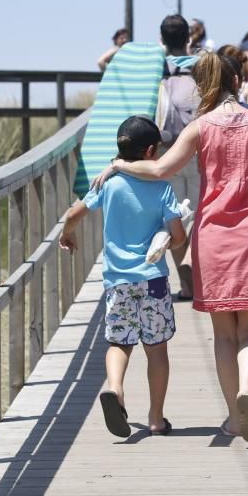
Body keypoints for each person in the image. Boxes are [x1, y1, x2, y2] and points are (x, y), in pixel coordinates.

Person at [92, 52, 248, 443]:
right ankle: (247, 391)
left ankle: (232, 415)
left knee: (224, 336)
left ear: (202, 86)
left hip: (212, 239)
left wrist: (119, 164)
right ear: (236, 80)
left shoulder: (200, 127)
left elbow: (160, 170)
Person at [60, 116, 187, 438]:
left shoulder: (109, 183)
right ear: (150, 151)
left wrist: (67, 234)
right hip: (154, 280)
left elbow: (74, 213)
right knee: (156, 350)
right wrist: (169, 236)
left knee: (119, 342)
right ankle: (156, 419)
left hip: (118, 281)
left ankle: (115, 389)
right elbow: (179, 237)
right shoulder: (162, 188)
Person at [156, 14, 201, 301]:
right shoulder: (201, 67)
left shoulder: (153, 69)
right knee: (200, 217)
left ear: (162, 39)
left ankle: (187, 285)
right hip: (198, 150)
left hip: (164, 153)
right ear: (189, 38)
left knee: (173, 218)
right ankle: (200, 279)